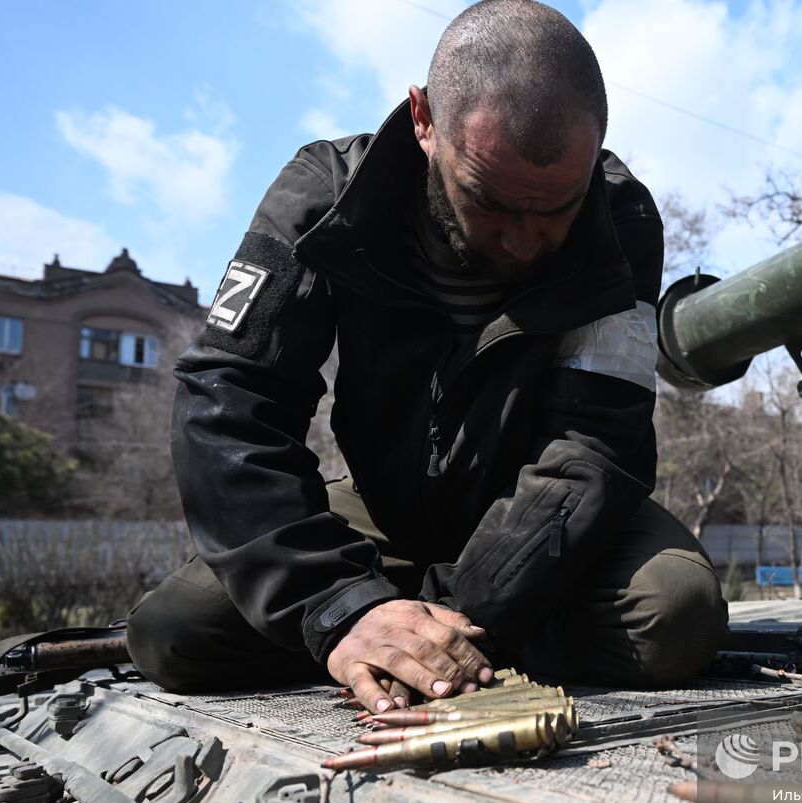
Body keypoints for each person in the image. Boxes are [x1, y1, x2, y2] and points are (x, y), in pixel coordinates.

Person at [125, 0, 728, 713]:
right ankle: (385, 630)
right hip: (382, 513)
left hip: (548, 514)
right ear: (423, 121)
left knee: (675, 613)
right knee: (171, 634)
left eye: (556, 208)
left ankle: (426, 635)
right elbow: (228, 402)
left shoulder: (621, 218)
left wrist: (454, 619)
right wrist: (343, 605)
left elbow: (593, 449)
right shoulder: (323, 197)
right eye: (490, 201)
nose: (524, 242)